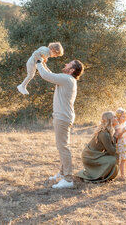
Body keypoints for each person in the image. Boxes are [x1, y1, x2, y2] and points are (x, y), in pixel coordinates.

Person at [36, 59, 84, 189]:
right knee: (62, 146)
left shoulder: (67, 79)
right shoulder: (66, 79)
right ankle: (63, 173)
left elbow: (46, 75)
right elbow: (51, 74)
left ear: (72, 70)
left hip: (63, 118)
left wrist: (38, 62)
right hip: (63, 117)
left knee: (63, 147)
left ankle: (68, 179)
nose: (65, 64)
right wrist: (43, 63)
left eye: (68, 64)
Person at [77, 111, 126, 183]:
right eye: (114, 117)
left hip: (94, 154)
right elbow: (112, 151)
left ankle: (103, 175)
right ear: (110, 120)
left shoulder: (108, 130)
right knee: (113, 159)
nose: (117, 118)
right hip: (90, 156)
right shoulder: (104, 133)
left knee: (115, 156)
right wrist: (115, 137)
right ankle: (98, 177)